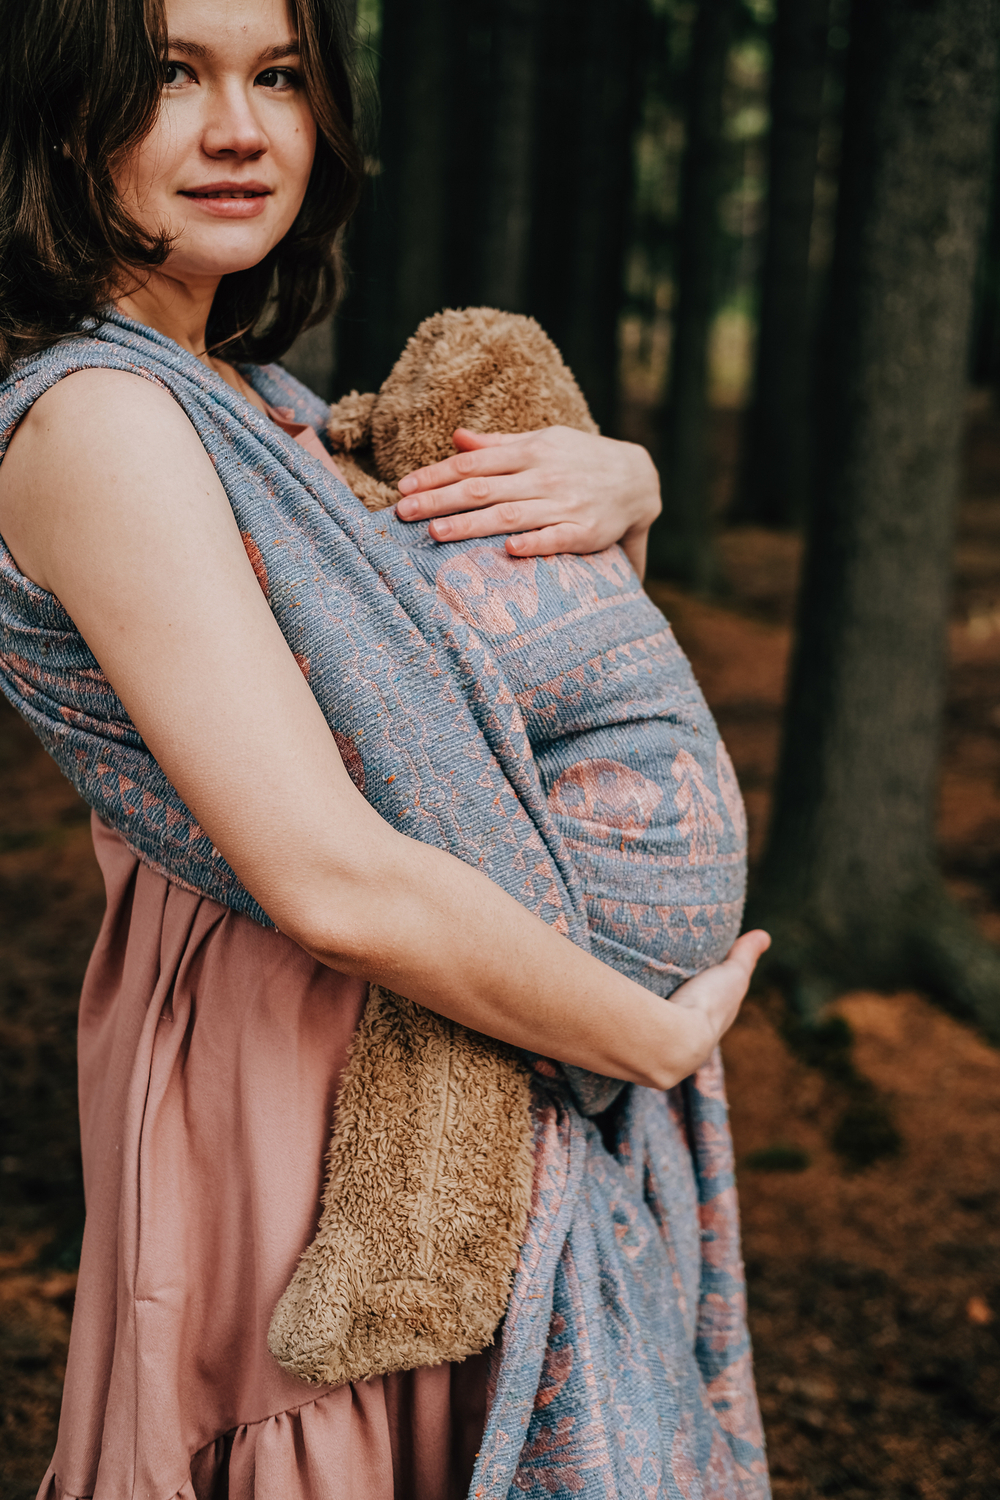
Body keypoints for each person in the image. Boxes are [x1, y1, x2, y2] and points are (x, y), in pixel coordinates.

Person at [0, 0, 771, 1495]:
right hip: (301, 1075)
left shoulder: (260, 404)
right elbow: (328, 871)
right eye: (173, 75)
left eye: (279, 77)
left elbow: (466, 714)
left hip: (432, 1036)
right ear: (55, 101)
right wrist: (643, 1036)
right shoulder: (97, 415)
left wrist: (625, 489)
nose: (242, 129)